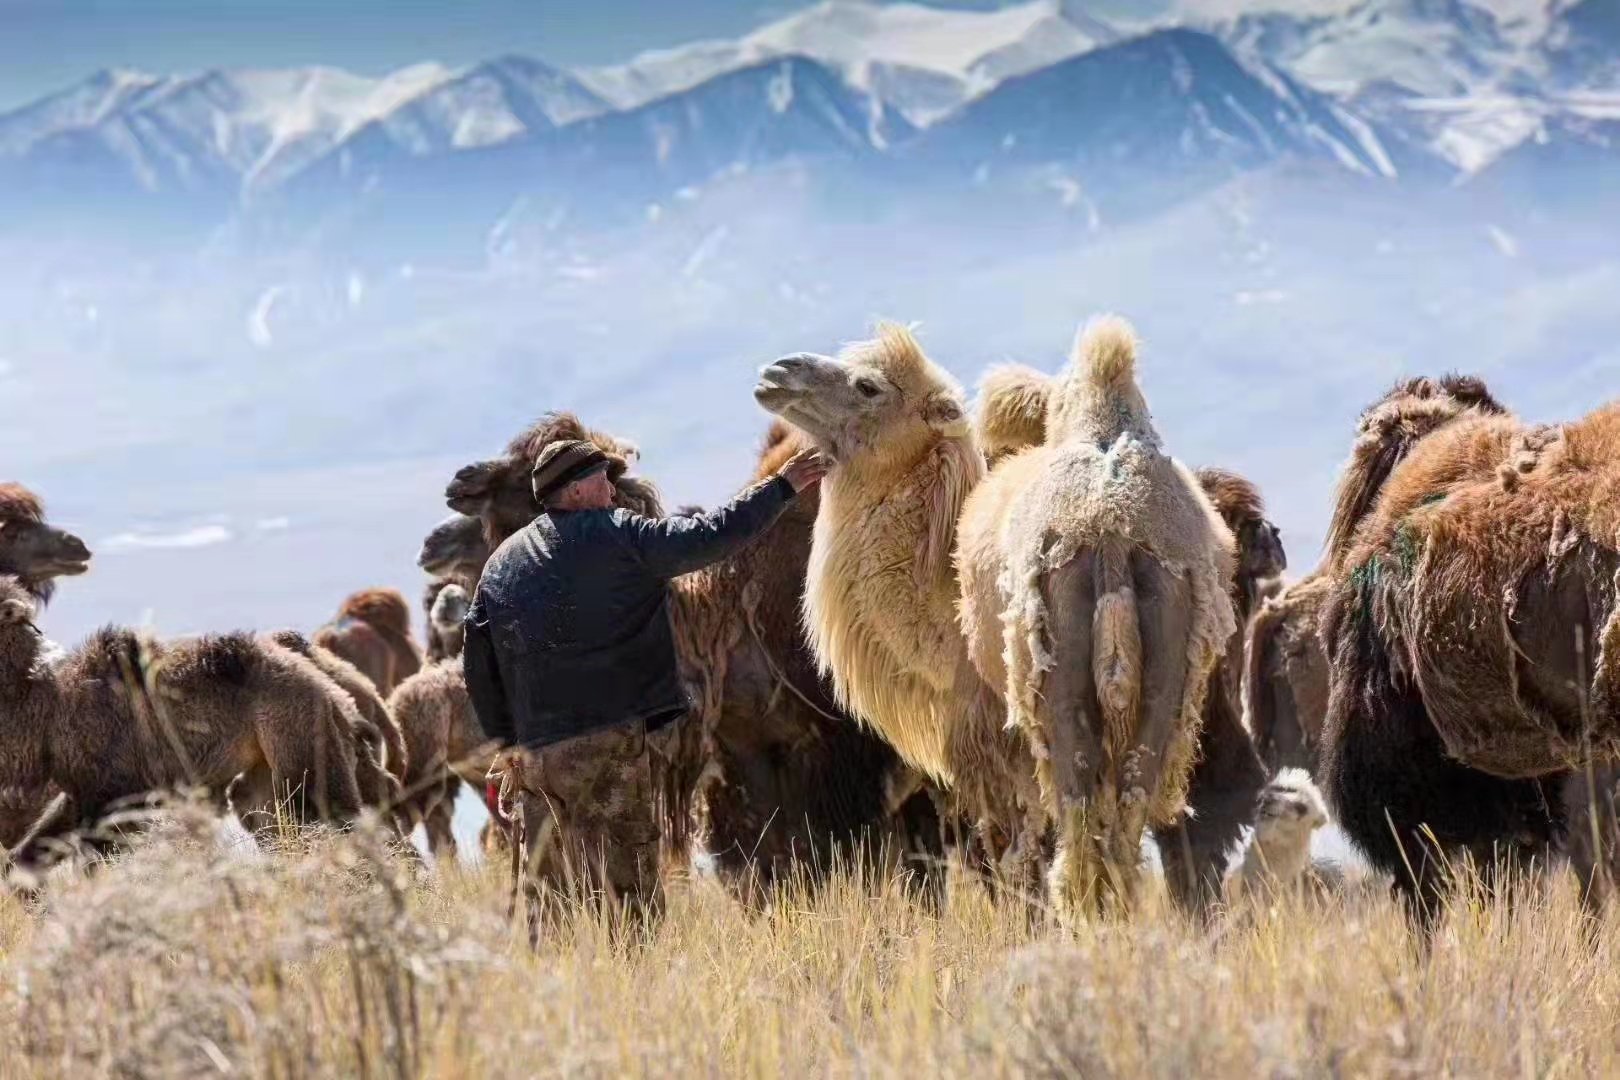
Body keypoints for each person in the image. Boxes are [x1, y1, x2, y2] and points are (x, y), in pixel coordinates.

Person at [463, 436, 826, 927]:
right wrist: (781, 488)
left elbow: (477, 656)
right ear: (571, 492)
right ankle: (631, 978)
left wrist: (506, 736)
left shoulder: (503, 563)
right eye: (600, 481)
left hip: (536, 755)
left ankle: (557, 987)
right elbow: (708, 536)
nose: (612, 492)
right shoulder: (615, 533)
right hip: (607, 742)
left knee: (548, 893)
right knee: (628, 887)